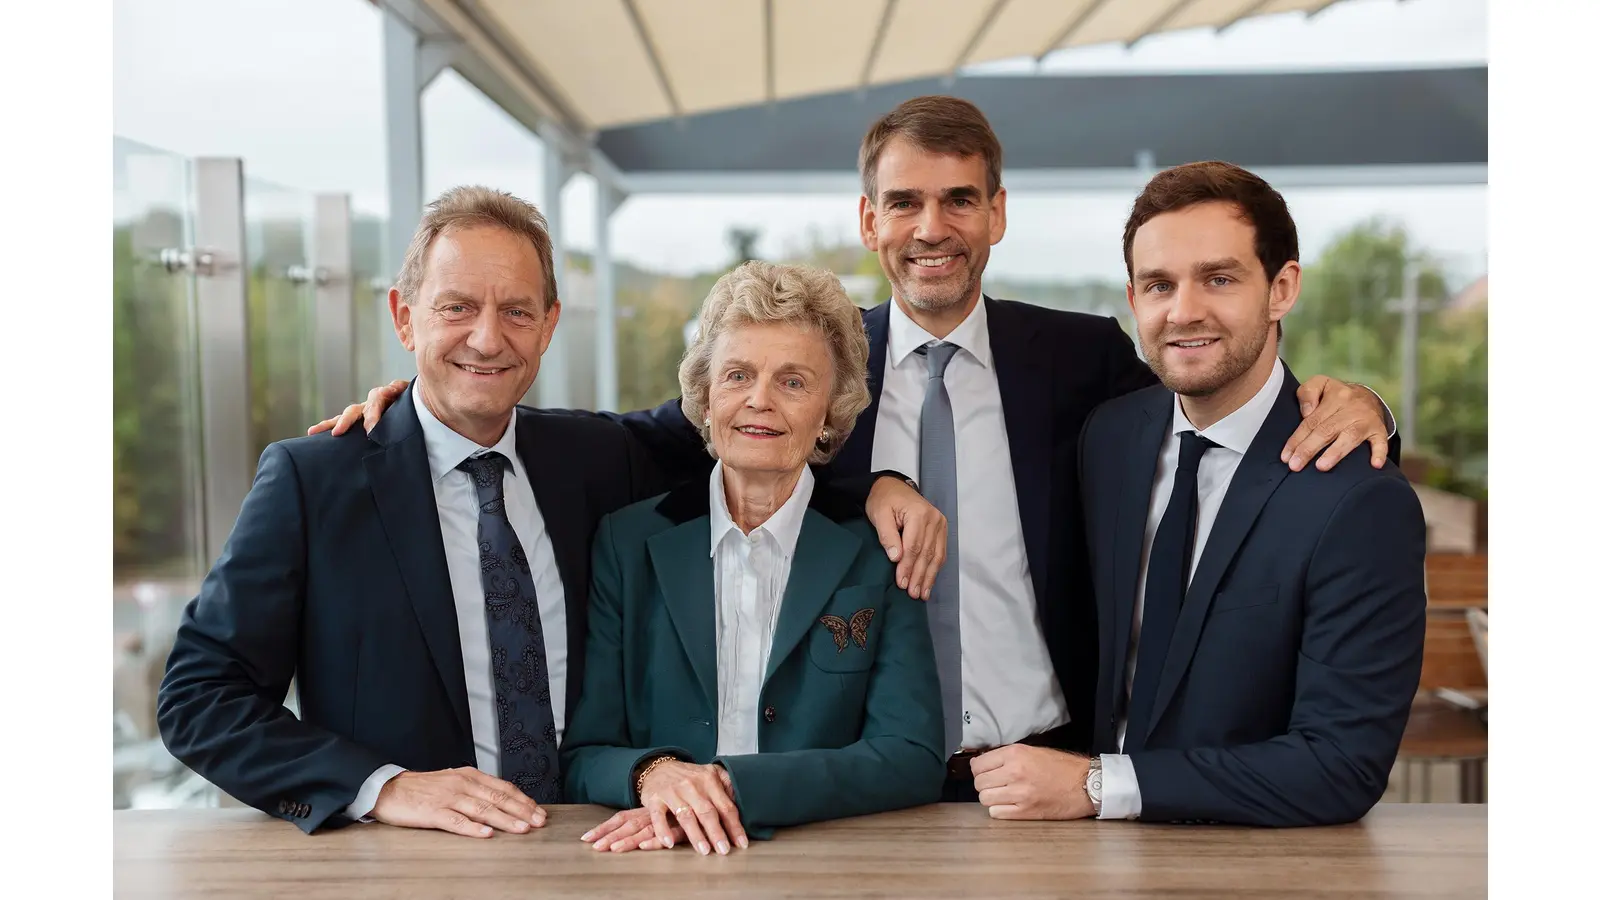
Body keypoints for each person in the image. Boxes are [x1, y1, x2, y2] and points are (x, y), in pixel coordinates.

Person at [313, 95, 1397, 803]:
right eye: (905, 203)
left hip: (1056, 765)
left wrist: (1360, 403)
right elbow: (639, 435)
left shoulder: (1082, 361)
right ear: (869, 220)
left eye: (959, 199)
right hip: (877, 782)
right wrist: (422, 400)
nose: (933, 226)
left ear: (996, 214)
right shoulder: (807, 366)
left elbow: (1211, 388)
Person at [157, 186, 936, 837]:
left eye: (517, 312)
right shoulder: (313, 480)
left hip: (594, 849)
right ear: (404, 317)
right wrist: (382, 786)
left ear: (550, 325)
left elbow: (756, 433)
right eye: (456, 307)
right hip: (408, 868)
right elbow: (199, 699)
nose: (486, 339)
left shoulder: (597, 460)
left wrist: (878, 485)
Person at [968, 161, 1426, 826]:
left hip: (1259, 862)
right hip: (1078, 855)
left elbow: (1342, 765)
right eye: (1159, 284)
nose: (1183, 311)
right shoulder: (1112, 438)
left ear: (1282, 287)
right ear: (1133, 301)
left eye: (1219, 278)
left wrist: (1099, 785)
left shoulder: (1357, 500)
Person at [564, 261, 944, 856]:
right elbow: (586, 754)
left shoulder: (879, 551)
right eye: (737, 375)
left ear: (830, 412)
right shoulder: (627, 543)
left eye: (793, 382)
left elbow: (912, 757)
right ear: (707, 400)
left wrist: (731, 787)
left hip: (827, 860)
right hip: (655, 856)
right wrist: (652, 773)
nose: (759, 401)